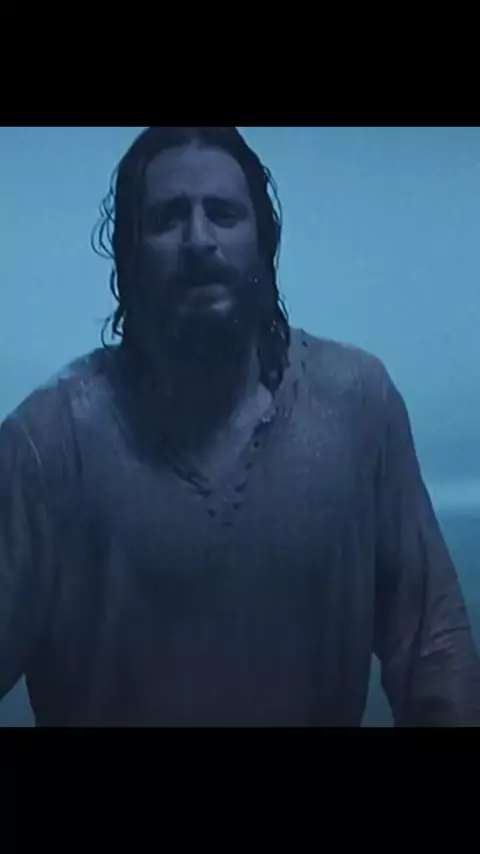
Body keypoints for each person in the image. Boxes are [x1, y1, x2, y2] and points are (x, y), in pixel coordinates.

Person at [1, 126, 479, 727]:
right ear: (129, 252)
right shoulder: (48, 443)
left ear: (263, 242)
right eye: (168, 218)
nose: (199, 240)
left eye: (223, 214)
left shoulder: (357, 407)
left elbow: (435, 649)